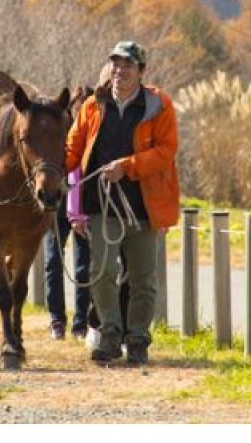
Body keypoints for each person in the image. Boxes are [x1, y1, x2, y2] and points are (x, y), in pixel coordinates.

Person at [66, 41, 179, 366]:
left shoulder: (159, 106)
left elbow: (166, 151)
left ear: (141, 71)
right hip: (101, 206)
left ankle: (139, 339)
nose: (119, 71)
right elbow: (72, 151)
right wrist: (54, 174)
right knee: (101, 272)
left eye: (127, 65)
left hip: (144, 207)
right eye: (115, 64)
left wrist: (127, 166)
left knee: (143, 278)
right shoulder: (92, 106)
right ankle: (111, 334)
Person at [45, 86, 94, 341]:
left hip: (85, 208)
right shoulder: (58, 134)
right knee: (53, 262)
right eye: (79, 105)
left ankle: (81, 322)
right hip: (57, 206)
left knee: (84, 265)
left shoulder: (94, 135)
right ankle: (56, 319)